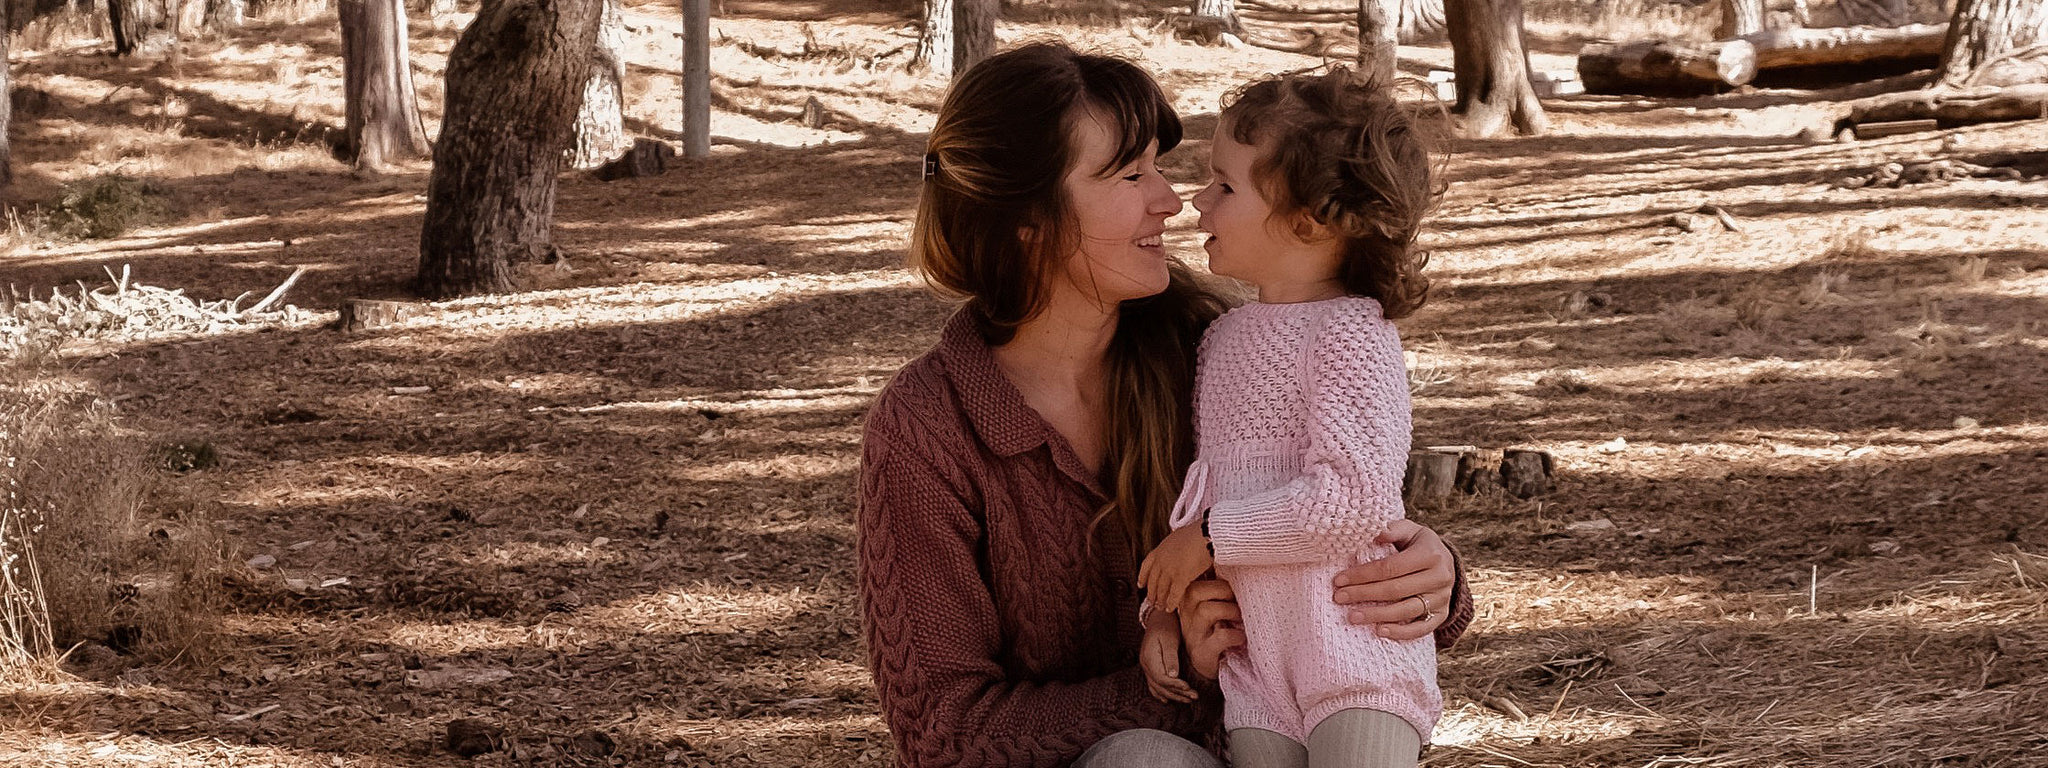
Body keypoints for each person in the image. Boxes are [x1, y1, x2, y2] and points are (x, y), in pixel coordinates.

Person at [856, 43, 1471, 768]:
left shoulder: (1209, 349)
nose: (1172, 199)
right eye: (1130, 174)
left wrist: (1434, 578)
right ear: (1028, 217)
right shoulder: (929, 430)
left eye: (1161, 166)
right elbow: (942, 731)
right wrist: (1177, 682)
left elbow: (1331, 509)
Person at [1134, 68, 1444, 768]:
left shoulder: (1353, 336)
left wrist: (1212, 538)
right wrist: (1160, 611)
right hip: (1260, 672)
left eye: (1226, 186)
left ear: (1308, 218)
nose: (1196, 202)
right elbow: (1201, 496)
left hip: (1355, 655)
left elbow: (1352, 500)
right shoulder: (1221, 339)